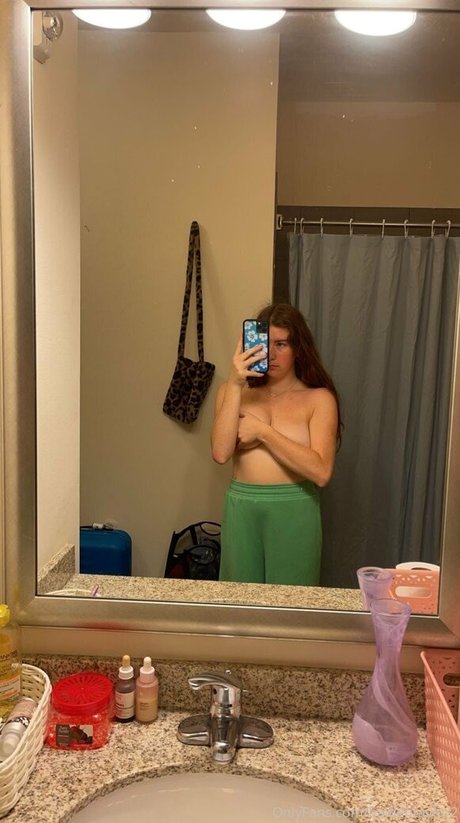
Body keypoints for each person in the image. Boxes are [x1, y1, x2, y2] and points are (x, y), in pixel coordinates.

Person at [211, 303, 342, 586]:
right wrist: (234, 383)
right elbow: (221, 453)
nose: (271, 354)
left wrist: (262, 432)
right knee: (238, 599)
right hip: (242, 507)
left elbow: (321, 472)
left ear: (298, 349)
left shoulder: (319, 399)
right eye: (264, 343)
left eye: (281, 344)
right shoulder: (232, 392)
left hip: (295, 508)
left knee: (293, 601)